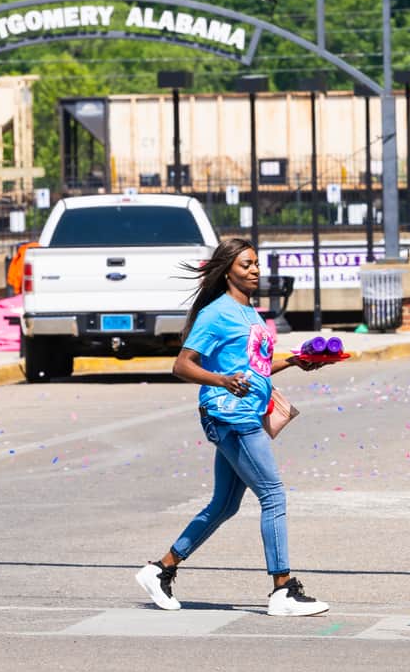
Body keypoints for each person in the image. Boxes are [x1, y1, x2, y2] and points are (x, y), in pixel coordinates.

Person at [134, 237, 329, 617]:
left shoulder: (250, 313)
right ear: (227, 271)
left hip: (245, 413)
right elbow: (182, 365)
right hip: (230, 415)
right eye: (246, 265)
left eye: (256, 264)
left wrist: (295, 361)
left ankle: (161, 569)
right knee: (273, 495)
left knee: (223, 505)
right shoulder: (216, 313)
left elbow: (254, 367)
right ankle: (282, 589)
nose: (255, 270)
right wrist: (221, 380)